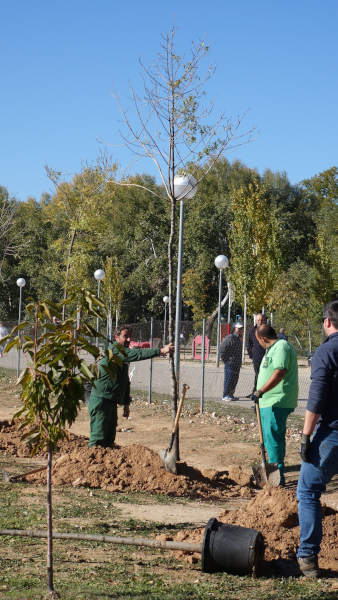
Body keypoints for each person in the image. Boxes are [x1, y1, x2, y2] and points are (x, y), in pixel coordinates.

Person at [279, 300, 338, 578]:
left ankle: (307, 559)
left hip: (332, 435)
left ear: (327, 322)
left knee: (307, 491)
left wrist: (305, 437)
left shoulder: (327, 351)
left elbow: (316, 399)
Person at [88, 324, 174, 449]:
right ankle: (92, 466)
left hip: (110, 402)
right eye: (125, 336)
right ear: (116, 338)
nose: (128, 339)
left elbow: (125, 381)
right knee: (97, 441)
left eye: (130, 337)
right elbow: (137, 354)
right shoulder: (115, 350)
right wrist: (160, 351)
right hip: (101, 401)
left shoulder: (122, 357)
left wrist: (126, 403)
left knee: (109, 441)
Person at [251, 324, 298, 486]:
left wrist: (260, 391)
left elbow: (280, 371)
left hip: (276, 401)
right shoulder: (272, 349)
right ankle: (276, 476)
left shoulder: (281, 348)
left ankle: (276, 481)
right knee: (274, 439)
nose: (258, 343)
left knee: (272, 440)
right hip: (268, 402)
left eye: (258, 341)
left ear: (263, 338)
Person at [219, 322, 243, 401]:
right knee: (228, 379)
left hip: (237, 363)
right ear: (234, 329)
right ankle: (225, 395)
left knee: (234, 380)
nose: (240, 330)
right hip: (230, 363)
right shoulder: (230, 337)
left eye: (241, 328)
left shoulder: (239, 339)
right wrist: (225, 360)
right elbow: (222, 349)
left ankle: (231, 394)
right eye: (238, 328)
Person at [247, 313, 267, 394]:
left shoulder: (268, 330)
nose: (260, 321)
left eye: (262, 320)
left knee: (266, 375)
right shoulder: (252, 331)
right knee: (257, 375)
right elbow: (249, 345)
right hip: (257, 358)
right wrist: (251, 355)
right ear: (255, 321)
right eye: (258, 320)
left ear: (264, 320)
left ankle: (264, 391)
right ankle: (255, 391)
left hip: (266, 358)